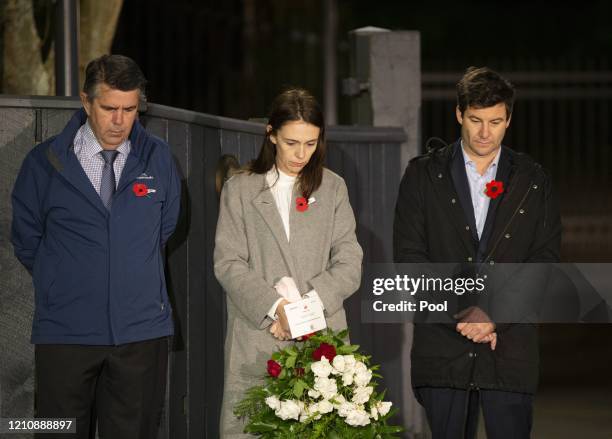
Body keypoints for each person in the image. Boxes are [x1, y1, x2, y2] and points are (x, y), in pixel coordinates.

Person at [11, 54, 181, 439]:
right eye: (109, 108)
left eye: (130, 109)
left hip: (140, 334)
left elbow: (164, 227)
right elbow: (26, 239)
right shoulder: (43, 163)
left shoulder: (159, 158)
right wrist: (64, 281)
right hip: (65, 334)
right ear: (86, 102)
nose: (119, 121)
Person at [393, 67, 561, 438]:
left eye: (496, 121)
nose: (485, 132)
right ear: (458, 114)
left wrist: (495, 314)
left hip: (510, 346)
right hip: (444, 345)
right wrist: (465, 311)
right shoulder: (422, 176)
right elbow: (410, 258)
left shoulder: (534, 180)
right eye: (475, 120)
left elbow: (545, 261)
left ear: (509, 120)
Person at [214, 88, 363, 438]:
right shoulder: (240, 189)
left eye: (311, 144)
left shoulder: (334, 188)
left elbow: (349, 259)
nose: (301, 154)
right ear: (271, 134)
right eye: (292, 142)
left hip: (322, 339)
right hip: (257, 339)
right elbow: (228, 262)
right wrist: (276, 308)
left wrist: (301, 313)